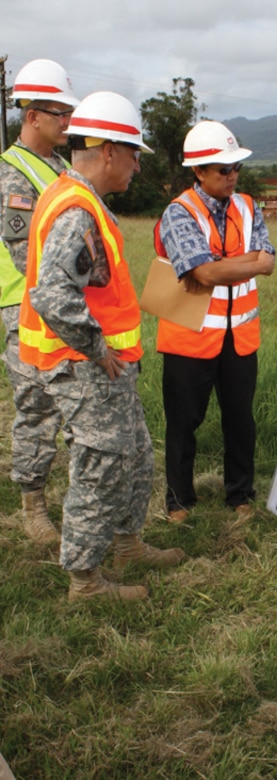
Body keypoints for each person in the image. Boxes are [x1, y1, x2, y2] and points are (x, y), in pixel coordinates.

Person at [19, 91, 186, 602]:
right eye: (135, 154)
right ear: (109, 150)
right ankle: (85, 581)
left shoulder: (81, 197)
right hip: (85, 367)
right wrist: (98, 348)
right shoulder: (76, 208)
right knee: (100, 466)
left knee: (134, 453)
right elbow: (50, 293)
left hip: (104, 368)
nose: (138, 166)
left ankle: (127, 543)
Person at [154, 120, 275, 523]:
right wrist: (245, 263)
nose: (233, 176)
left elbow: (268, 261)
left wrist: (218, 265)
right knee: (183, 423)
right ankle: (178, 500)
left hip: (239, 336)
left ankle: (240, 493)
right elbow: (202, 274)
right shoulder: (178, 213)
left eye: (236, 167)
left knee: (241, 420)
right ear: (199, 172)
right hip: (190, 337)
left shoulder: (248, 206)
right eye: (224, 169)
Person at [0, 59, 79, 545]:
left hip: (65, 307)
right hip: (24, 310)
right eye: (59, 113)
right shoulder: (11, 173)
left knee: (71, 404)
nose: (68, 122)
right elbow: (28, 253)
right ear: (31, 115)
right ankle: (32, 504)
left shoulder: (63, 167)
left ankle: (78, 502)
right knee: (35, 407)